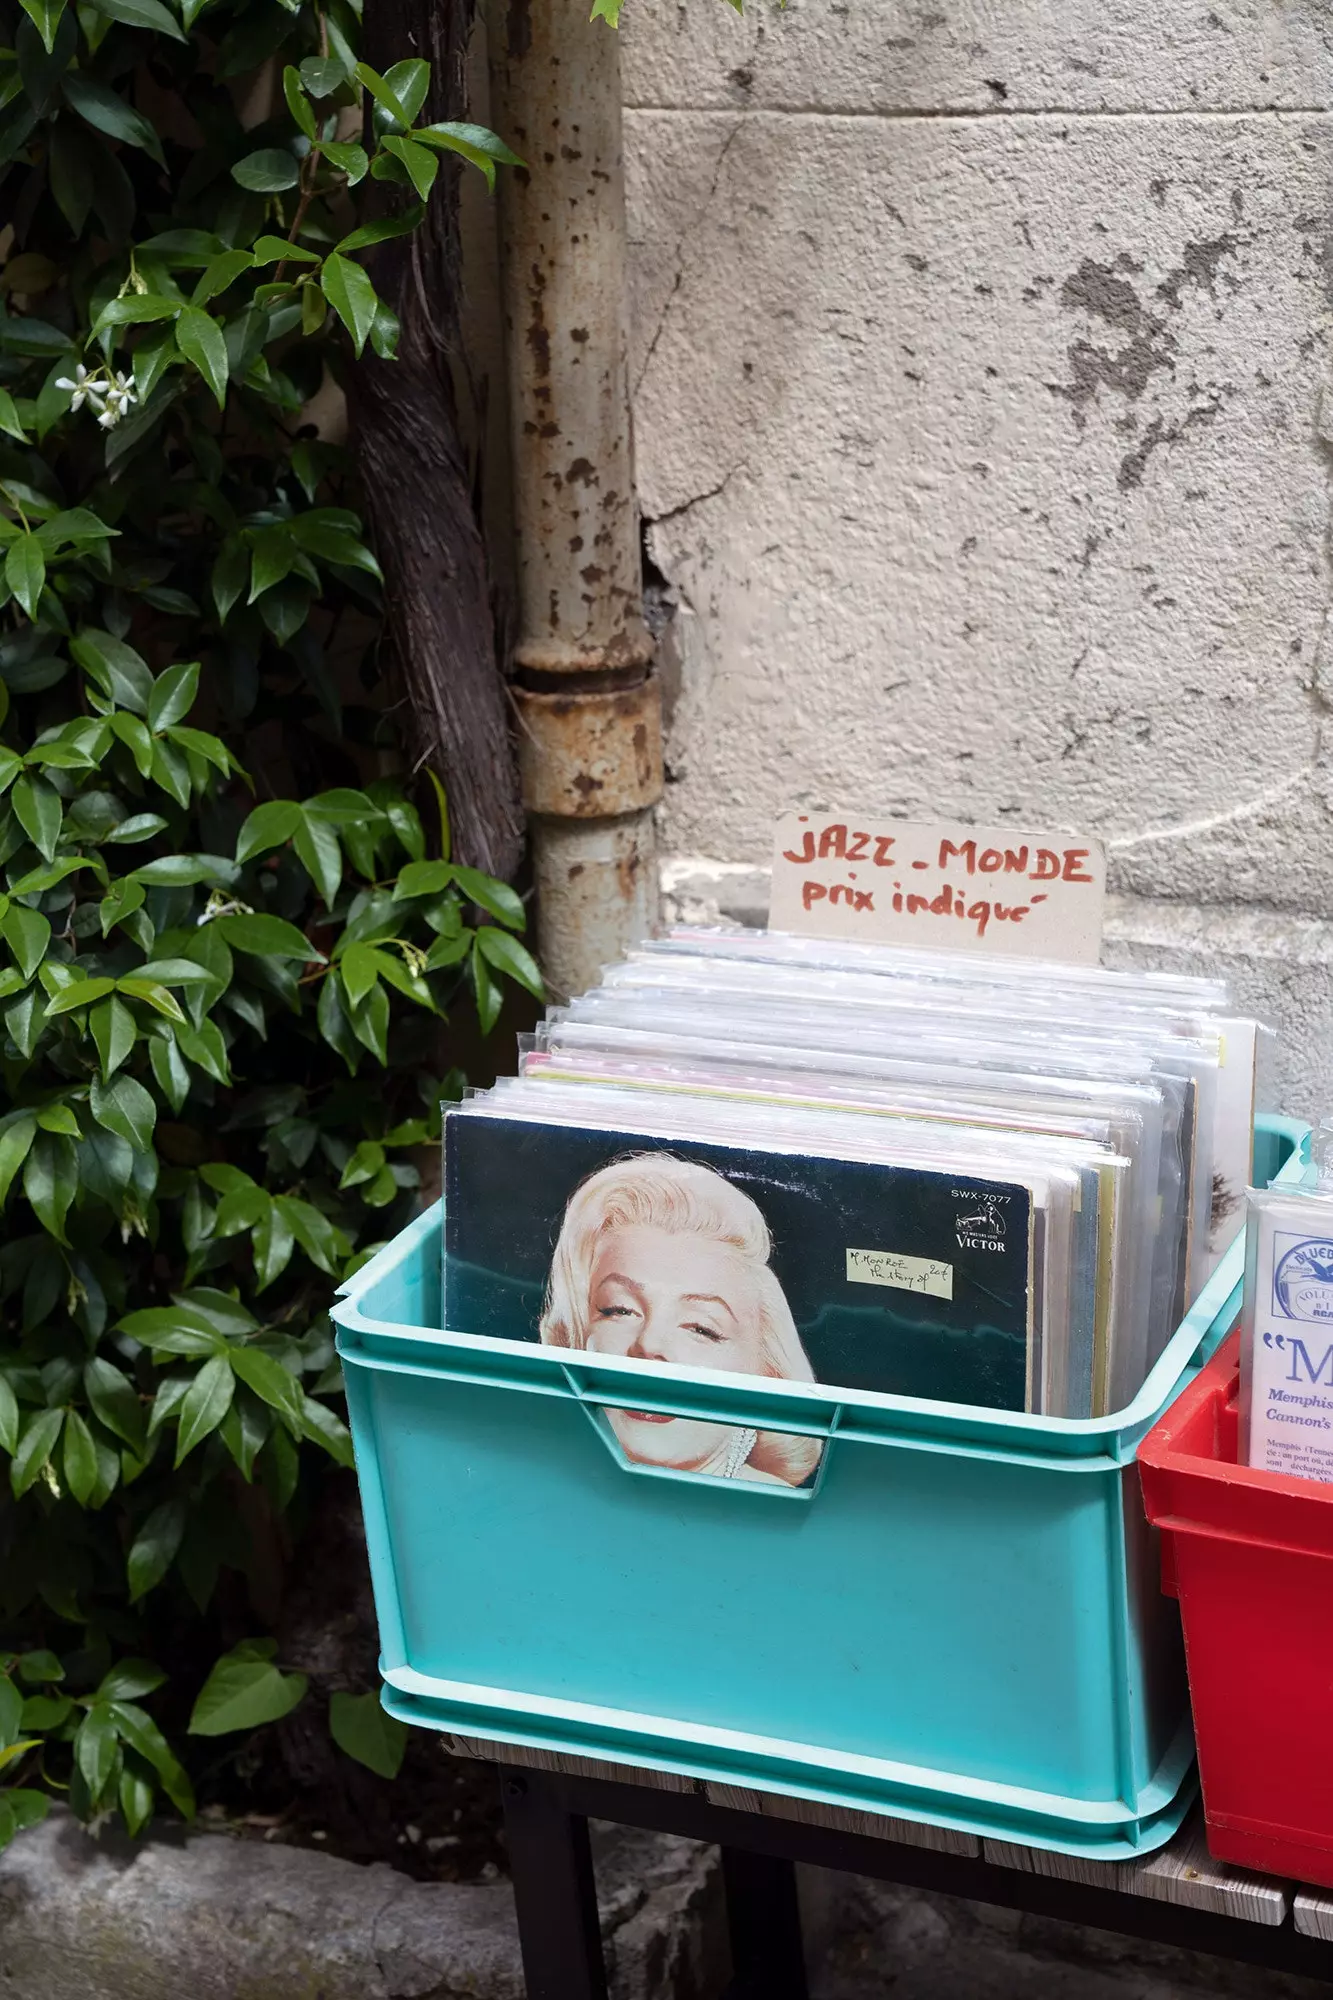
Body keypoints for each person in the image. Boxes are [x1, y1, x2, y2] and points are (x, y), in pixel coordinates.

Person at [539, 1153, 821, 1486]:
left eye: (701, 1328)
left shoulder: (790, 1526)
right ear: (575, 1334)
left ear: (767, 1373)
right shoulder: (523, 1487)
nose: (650, 1345)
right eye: (620, 1310)